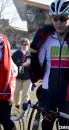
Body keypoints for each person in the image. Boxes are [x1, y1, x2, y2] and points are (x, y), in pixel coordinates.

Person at [30, 0, 69, 129]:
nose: (58, 22)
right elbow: (38, 62)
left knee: (65, 127)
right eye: (55, 18)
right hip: (48, 92)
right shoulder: (46, 38)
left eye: (63, 18)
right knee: (46, 126)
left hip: (67, 94)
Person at [12, 38, 32, 109]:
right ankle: (17, 104)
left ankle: (24, 107)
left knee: (25, 93)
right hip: (18, 77)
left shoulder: (31, 54)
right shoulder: (15, 54)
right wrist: (21, 64)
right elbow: (11, 64)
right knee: (16, 92)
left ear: (28, 45)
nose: (24, 45)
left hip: (28, 77)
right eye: (22, 44)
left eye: (25, 44)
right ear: (20, 45)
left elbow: (36, 65)